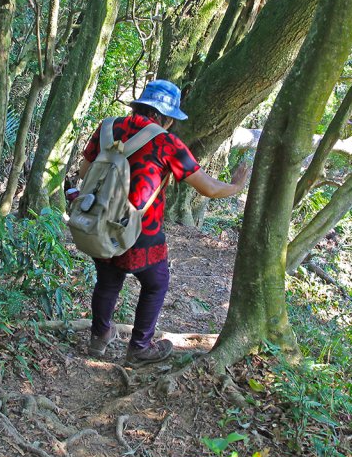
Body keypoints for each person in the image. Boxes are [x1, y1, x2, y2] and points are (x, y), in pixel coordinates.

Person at [73, 79, 250, 366]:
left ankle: (99, 337)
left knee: (107, 281)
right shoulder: (167, 143)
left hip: (100, 221)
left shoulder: (108, 128)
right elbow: (208, 188)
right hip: (142, 228)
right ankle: (140, 348)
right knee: (156, 283)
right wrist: (236, 187)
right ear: (165, 117)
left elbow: (84, 172)